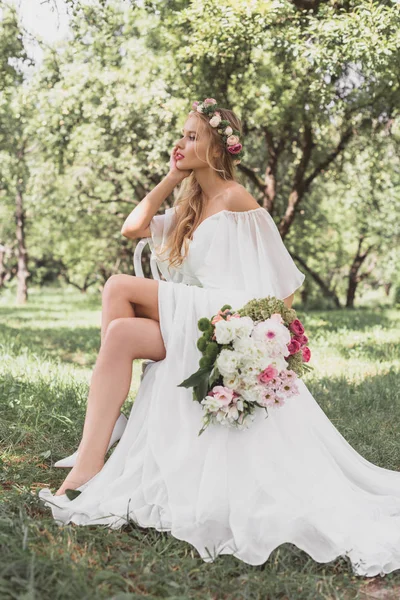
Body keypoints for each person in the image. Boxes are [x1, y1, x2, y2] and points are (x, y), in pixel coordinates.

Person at [38, 98, 400, 577]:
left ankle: (106, 436)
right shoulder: (189, 203)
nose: (181, 143)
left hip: (218, 314)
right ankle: (92, 458)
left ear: (218, 146)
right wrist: (172, 177)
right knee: (122, 333)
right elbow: (133, 229)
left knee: (118, 287)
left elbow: (285, 289)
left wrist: (261, 340)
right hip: (191, 317)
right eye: (181, 135)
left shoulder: (235, 198)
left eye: (192, 137)